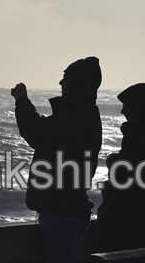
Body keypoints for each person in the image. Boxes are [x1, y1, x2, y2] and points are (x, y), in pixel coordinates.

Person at [12, 56, 102, 263]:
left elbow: (36, 132)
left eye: (65, 79)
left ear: (76, 83)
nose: (61, 83)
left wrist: (22, 101)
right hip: (67, 209)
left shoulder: (75, 118)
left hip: (61, 211)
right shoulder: (82, 115)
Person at [87, 83, 145, 252]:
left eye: (126, 106)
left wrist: (112, 160)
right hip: (138, 217)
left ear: (139, 108)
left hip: (129, 220)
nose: (123, 111)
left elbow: (124, 173)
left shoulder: (144, 135)